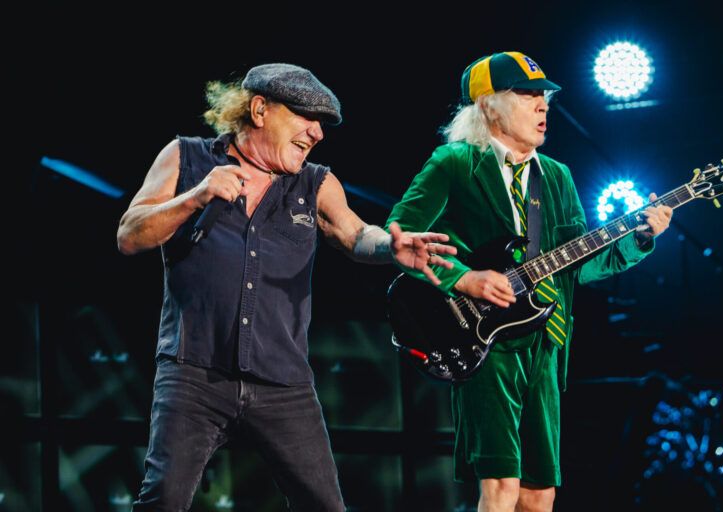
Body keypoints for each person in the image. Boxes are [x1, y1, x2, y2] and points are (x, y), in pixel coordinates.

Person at [116, 62, 456, 511]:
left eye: (322, 127)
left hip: (283, 383)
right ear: (259, 110)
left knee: (325, 506)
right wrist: (195, 195)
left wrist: (391, 248)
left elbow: (355, 234)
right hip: (194, 372)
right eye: (305, 119)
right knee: (163, 500)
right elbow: (129, 234)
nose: (316, 134)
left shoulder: (314, 183)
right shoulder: (187, 157)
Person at [386, 51, 672, 511]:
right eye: (528, 95)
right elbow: (401, 239)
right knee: (500, 486)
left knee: (540, 495)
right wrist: (464, 279)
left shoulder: (556, 176)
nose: (543, 106)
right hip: (484, 342)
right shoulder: (455, 163)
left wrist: (638, 239)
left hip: (547, 344)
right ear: (489, 105)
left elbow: (582, 264)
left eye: (545, 97)